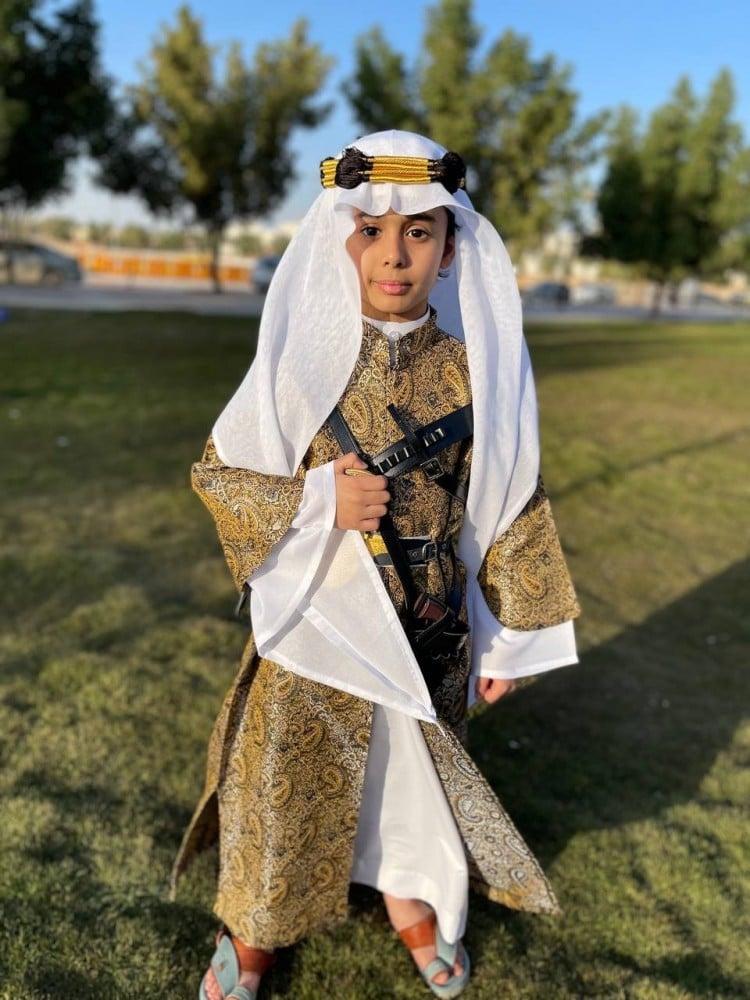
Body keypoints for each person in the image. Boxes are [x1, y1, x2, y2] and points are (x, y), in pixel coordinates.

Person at [169, 129, 582, 1000]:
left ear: (450, 246)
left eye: (419, 232)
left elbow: (511, 498)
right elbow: (220, 477)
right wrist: (319, 500)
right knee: (285, 789)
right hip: (318, 628)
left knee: (414, 786)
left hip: (429, 630)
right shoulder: (295, 366)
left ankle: (411, 898)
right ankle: (254, 931)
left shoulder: (475, 373)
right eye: (371, 231)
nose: (394, 255)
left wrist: (511, 635)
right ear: (340, 238)